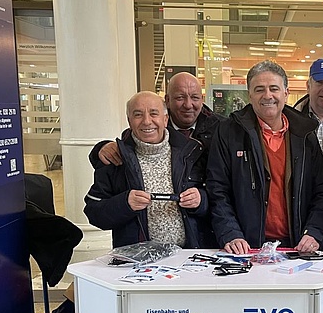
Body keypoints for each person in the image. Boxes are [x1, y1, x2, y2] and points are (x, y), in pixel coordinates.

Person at [206, 60, 323, 254]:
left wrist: (314, 231)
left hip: (296, 247)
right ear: (249, 95)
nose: (268, 96)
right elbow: (217, 190)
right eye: (259, 90)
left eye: (274, 88)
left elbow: (322, 191)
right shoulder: (228, 132)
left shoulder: (305, 134)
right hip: (246, 248)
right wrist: (230, 232)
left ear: (286, 93)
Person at [88, 72, 224, 247]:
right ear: (129, 120)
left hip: (191, 256)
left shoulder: (193, 151)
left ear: (165, 118)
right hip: (137, 261)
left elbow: (220, 194)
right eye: (138, 115)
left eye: (154, 113)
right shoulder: (118, 158)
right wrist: (124, 204)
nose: (147, 121)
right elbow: (94, 212)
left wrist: (201, 200)